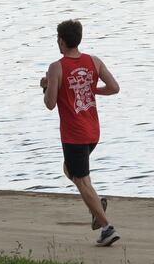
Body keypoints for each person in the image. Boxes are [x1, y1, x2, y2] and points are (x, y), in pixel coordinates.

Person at [40, 19, 121, 245]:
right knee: (70, 170)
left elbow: (50, 103)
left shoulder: (57, 67)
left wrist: (46, 85)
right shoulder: (94, 62)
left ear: (61, 41)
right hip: (92, 131)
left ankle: (106, 227)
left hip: (74, 134)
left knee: (82, 181)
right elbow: (114, 88)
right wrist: (92, 89)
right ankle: (96, 204)